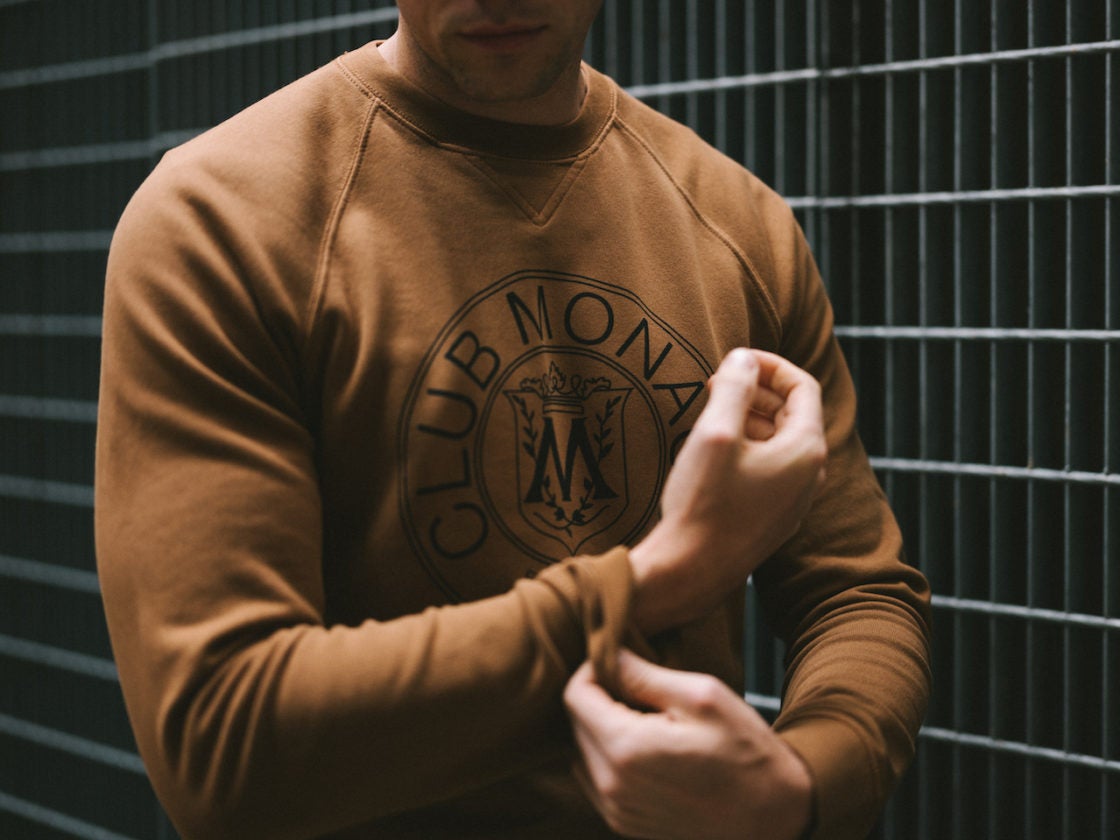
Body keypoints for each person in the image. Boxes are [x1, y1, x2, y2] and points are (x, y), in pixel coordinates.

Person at [94, 2, 932, 839]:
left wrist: (794, 788)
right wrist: (661, 578)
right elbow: (224, 743)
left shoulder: (737, 220)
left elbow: (855, 592)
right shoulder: (222, 218)